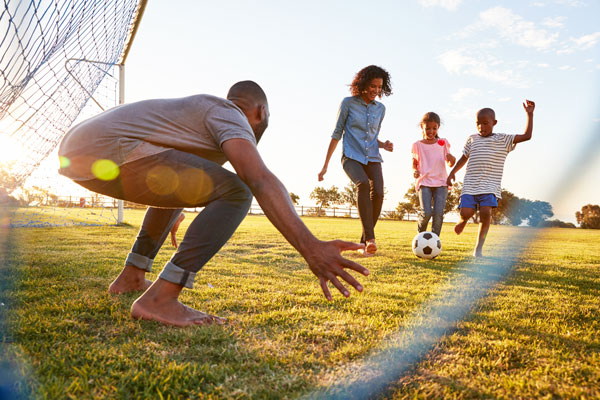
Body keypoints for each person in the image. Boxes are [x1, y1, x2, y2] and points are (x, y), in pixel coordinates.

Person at [58, 81, 370, 327]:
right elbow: (257, 177)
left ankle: (132, 277)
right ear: (259, 112)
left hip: (80, 151)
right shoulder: (227, 112)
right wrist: (310, 247)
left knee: (192, 186)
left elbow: (171, 177)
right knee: (238, 191)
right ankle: (159, 300)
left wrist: (174, 204)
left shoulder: (201, 121)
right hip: (106, 147)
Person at [317, 65, 394, 256]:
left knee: (378, 191)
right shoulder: (348, 103)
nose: (376, 91)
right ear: (363, 84)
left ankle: (364, 242)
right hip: (351, 156)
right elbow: (337, 133)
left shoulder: (381, 109)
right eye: (373, 86)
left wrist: (384, 144)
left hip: (373, 157)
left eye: (379, 87)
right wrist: (325, 165)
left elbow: (371, 136)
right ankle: (370, 239)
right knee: (362, 184)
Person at [447, 100, 535, 257]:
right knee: (466, 212)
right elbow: (463, 158)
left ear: (494, 123)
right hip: (470, 185)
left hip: (490, 186)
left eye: (485, 123)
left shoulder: (503, 139)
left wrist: (529, 114)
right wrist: (452, 172)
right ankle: (463, 220)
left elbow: (527, 136)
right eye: (478, 124)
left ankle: (479, 247)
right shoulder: (472, 139)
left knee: (486, 213)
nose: (481, 127)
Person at [411, 112, 456, 237]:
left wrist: (452, 158)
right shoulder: (417, 145)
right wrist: (415, 171)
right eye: (428, 128)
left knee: (438, 213)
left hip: (441, 183)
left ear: (438, 127)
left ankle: (434, 240)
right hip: (424, 182)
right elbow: (414, 163)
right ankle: (420, 238)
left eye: (434, 128)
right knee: (426, 213)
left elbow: (450, 163)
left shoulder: (442, 143)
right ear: (422, 127)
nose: (431, 131)